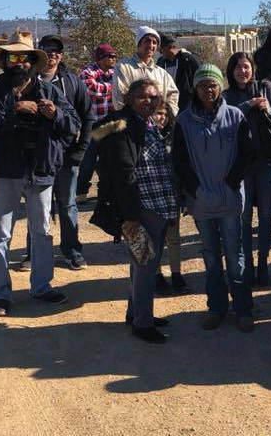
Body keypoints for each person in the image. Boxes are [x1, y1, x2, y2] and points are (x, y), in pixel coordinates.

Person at [0, 30, 80, 316]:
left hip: (41, 171)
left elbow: (72, 124)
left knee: (42, 232)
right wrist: (14, 110)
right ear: (5, 61)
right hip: (6, 171)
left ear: (33, 61)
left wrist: (54, 114)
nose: (18, 62)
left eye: (24, 57)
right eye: (12, 57)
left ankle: (41, 286)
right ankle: (0, 294)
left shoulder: (49, 90)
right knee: (0, 234)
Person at [91, 78, 178, 343]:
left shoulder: (148, 122)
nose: (148, 101)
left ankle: (136, 313)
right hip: (141, 207)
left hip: (159, 204)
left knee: (141, 264)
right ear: (129, 98)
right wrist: (131, 216)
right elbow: (124, 173)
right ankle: (142, 323)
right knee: (146, 266)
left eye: (153, 97)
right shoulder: (121, 125)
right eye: (142, 96)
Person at [172, 64, 256, 332]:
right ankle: (216, 308)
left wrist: (231, 185)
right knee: (210, 256)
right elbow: (180, 161)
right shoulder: (184, 121)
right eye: (202, 85)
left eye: (213, 84)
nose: (208, 89)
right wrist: (195, 190)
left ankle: (243, 309)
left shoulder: (235, 116)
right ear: (195, 88)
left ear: (220, 86)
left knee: (235, 254)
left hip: (230, 199)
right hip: (201, 200)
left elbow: (246, 154)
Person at [17, 35, 93, 271]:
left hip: (67, 155)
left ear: (62, 54)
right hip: (37, 156)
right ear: (40, 52)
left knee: (67, 203)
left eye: (57, 50)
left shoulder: (71, 81)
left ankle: (71, 251)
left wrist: (80, 150)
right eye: (47, 49)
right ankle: (34, 253)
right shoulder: (27, 80)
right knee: (38, 206)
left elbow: (87, 116)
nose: (52, 54)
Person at [222, 52, 271, 285]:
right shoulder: (226, 95)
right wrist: (247, 105)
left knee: (267, 215)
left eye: (246, 66)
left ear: (253, 69)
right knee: (244, 216)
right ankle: (247, 264)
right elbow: (222, 120)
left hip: (268, 161)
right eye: (237, 67)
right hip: (241, 165)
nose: (242, 71)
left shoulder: (266, 88)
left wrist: (269, 108)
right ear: (231, 70)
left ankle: (263, 263)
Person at [150, 103, 190, 294]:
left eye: (166, 115)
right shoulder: (146, 135)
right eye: (158, 114)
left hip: (172, 194)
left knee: (173, 238)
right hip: (152, 195)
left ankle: (176, 274)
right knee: (155, 238)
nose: (162, 118)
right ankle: (156, 275)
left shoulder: (174, 137)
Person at [76, 42, 118, 198]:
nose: (113, 59)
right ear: (101, 58)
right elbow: (91, 88)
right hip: (93, 123)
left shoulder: (116, 72)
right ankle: (80, 192)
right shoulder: (87, 71)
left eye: (114, 56)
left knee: (109, 159)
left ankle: (105, 192)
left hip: (111, 123)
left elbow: (123, 88)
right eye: (110, 56)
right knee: (88, 160)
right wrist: (113, 87)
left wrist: (109, 86)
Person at [112, 25, 179, 115]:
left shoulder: (161, 73)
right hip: (131, 123)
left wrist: (166, 117)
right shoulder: (123, 67)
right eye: (147, 41)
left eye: (154, 42)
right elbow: (119, 97)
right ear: (138, 43)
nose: (151, 45)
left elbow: (172, 97)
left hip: (157, 126)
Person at [156, 34, 200, 113]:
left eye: (162, 50)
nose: (161, 53)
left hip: (186, 103)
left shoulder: (187, 59)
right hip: (168, 101)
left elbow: (199, 77)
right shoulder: (161, 61)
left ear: (170, 47)